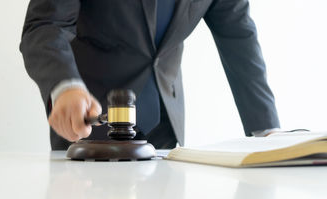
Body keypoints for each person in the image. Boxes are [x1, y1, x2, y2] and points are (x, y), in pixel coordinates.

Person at [20, 0, 280, 150]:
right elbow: (45, 25)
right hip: (89, 127)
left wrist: (267, 131)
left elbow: (238, 36)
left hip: (165, 131)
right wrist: (66, 86)